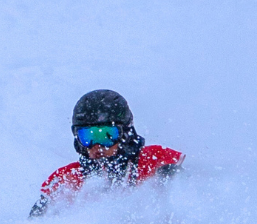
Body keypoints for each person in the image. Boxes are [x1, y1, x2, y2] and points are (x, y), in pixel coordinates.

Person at [29, 89, 185, 217]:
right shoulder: (68, 178)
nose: (97, 146)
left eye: (106, 135)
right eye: (87, 137)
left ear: (126, 133)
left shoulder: (154, 159)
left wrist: (174, 177)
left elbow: (196, 190)